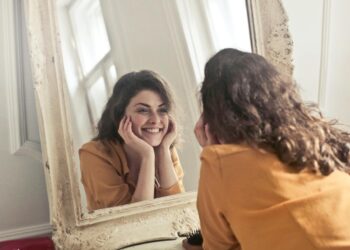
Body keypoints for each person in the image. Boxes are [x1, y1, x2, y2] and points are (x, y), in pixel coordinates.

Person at [192, 48, 350, 250]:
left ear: (214, 118)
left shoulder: (221, 163)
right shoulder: (316, 138)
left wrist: (211, 152)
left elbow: (217, 247)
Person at [79, 70, 184, 212]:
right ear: (120, 115)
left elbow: (178, 209)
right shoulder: (93, 153)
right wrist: (147, 156)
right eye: (143, 110)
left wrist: (163, 151)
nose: (155, 120)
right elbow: (132, 220)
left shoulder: (165, 148)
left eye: (162, 110)